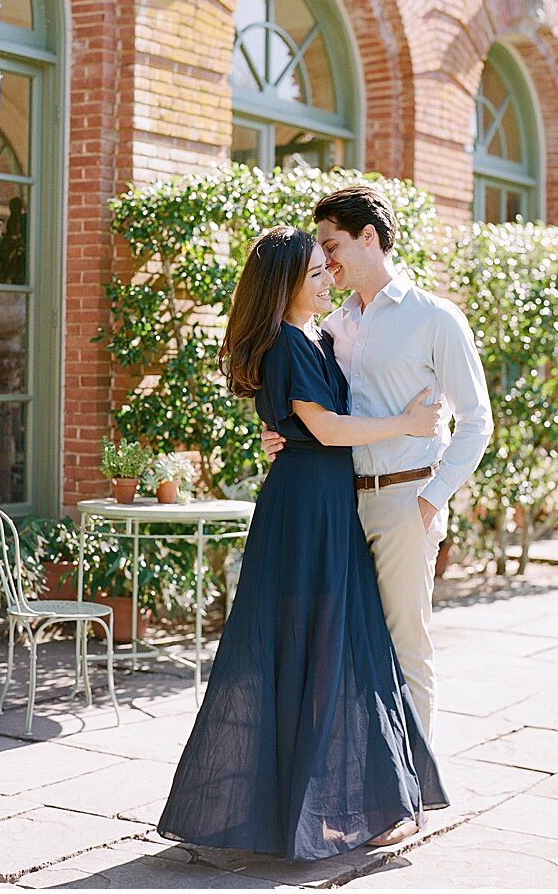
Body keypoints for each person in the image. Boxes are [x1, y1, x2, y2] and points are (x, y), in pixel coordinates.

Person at [157, 226, 447, 862]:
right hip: (305, 508)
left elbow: (306, 424)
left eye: (326, 269)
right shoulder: (287, 342)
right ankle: (310, 812)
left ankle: (341, 805)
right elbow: (324, 424)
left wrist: (290, 431)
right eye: (315, 272)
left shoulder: (318, 335)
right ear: (285, 284)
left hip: (326, 501)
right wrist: (407, 424)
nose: (327, 280)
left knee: (337, 645)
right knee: (312, 647)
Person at [265, 184, 493, 741]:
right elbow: (316, 406)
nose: (325, 259)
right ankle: (367, 786)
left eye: (332, 243)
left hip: (403, 500)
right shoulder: (333, 324)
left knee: (405, 645)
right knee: (349, 645)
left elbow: (477, 422)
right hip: (340, 502)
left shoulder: (435, 318)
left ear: (369, 238)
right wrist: (278, 434)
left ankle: (414, 791)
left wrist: (429, 500)